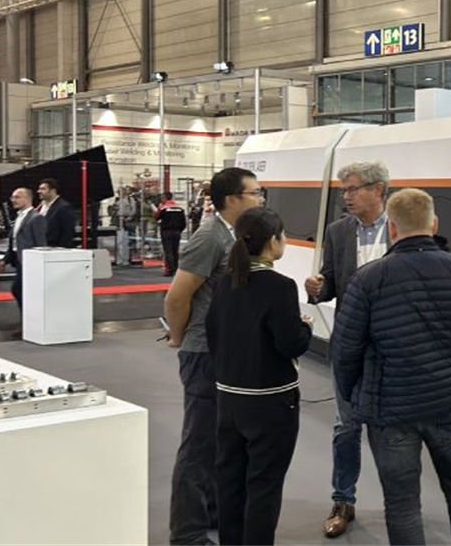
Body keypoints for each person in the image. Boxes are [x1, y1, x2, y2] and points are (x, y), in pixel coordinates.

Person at [333, 188, 451, 546]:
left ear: (391, 228)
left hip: (390, 411)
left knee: (402, 502)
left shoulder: (368, 278)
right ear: (434, 224)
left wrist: (352, 395)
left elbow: (345, 350)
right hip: (450, 404)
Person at [164, 167, 264, 546]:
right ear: (232, 199)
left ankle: (213, 512)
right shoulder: (209, 237)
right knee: (199, 444)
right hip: (204, 354)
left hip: (225, 353)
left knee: (222, 442)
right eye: (254, 193)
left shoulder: (234, 235)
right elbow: (177, 296)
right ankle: (187, 533)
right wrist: (180, 337)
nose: (260, 199)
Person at [206, 207, 314, 545]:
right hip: (271, 402)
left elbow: (212, 334)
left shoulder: (225, 283)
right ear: (273, 241)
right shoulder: (280, 286)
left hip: (228, 398)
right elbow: (290, 344)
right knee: (264, 485)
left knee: (230, 481)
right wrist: (305, 328)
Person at [304, 160, 390, 538]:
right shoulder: (338, 232)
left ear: (378, 190)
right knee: (346, 428)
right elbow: (331, 283)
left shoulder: (401, 227)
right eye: (344, 191)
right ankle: (343, 501)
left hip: (392, 350)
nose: (346, 197)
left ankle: (400, 504)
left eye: (353, 189)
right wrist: (317, 288)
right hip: (349, 349)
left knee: (391, 431)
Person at [4, 187, 48, 309]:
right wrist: (5, 260)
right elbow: (14, 242)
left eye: (17, 197)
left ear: (28, 199)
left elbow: (41, 244)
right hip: (19, 261)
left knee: (18, 289)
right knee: (21, 290)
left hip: (30, 262)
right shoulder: (19, 217)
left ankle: (29, 315)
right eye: (12, 197)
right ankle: (27, 316)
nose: (13, 200)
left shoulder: (36, 218)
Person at [155, 192, 188, 276]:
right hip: (177, 231)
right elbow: (184, 222)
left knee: (168, 251)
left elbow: (157, 217)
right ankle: (176, 268)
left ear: (165, 198)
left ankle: (170, 269)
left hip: (166, 231)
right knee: (175, 250)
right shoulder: (180, 208)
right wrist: (179, 230)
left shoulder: (164, 208)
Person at [37, 178, 76, 248]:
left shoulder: (63, 207)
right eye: (39, 189)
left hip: (55, 248)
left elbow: (67, 232)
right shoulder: (40, 207)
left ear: (53, 191)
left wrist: (60, 249)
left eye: (43, 189)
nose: (39, 191)